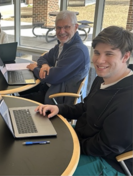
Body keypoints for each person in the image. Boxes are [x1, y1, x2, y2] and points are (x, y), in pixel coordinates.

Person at [36, 26, 133, 175]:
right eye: (97, 53)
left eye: (109, 54)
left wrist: (71, 145)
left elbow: (107, 146)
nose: (100, 61)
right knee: (40, 145)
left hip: (109, 161)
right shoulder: (103, 78)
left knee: (51, 169)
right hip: (84, 139)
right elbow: (86, 106)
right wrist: (60, 109)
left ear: (125, 56)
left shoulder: (128, 100)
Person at [20, 10, 90, 105]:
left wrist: (35, 68)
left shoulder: (77, 51)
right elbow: (42, 58)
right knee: (18, 90)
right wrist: (44, 65)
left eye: (66, 27)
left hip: (56, 99)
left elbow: (52, 77)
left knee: (15, 101)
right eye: (58, 28)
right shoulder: (63, 45)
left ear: (76, 27)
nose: (62, 31)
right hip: (50, 88)